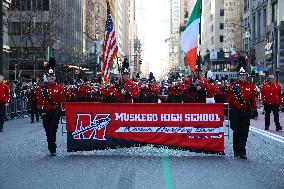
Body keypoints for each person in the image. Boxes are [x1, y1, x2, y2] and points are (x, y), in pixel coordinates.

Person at [227, 67, 258, 159]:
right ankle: (236, 151)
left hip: (245, 111)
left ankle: (242, 151)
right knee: (236, 131)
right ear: (238, 76)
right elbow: (229, 99)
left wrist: (255, 111)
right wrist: (226, 110)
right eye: (240, 75)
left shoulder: (251, 87)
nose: (242, 77)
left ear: (246, 76)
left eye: (243, 75)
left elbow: (252, 100)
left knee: (244, 131)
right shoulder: (232, 86)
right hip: (235, 110)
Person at [36, 69, 66, 156]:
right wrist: (41, 111)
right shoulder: (43, 89)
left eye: (52, 76)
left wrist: (63, 113)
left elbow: (63, 102)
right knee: (47, 130)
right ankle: (50, 145)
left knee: (53, 129)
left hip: (56, 111)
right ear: (47, 78)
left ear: (55, 78)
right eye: (49, 76)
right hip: (46, 112)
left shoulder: (60, 88)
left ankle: (53, 148)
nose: (51, 78)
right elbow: (39, 102)